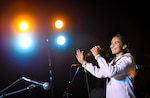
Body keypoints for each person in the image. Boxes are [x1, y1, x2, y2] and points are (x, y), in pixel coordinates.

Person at [75, 33, 137, 98]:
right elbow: (99, 73)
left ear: (124, 46)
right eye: (111, 43)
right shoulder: (114, 61)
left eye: (116, 43)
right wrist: (84, 63)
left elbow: (111, 72)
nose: (112, 46)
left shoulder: (128, 60)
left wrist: (97, 56)